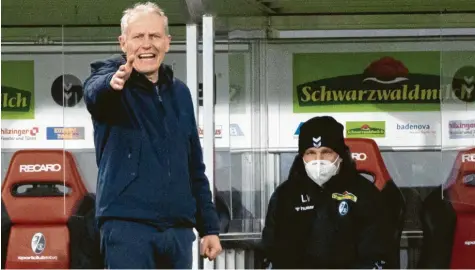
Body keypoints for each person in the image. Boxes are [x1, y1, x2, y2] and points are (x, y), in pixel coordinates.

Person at [82, 2, 222, 269]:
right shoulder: (111, 80)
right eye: (138, 37)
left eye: (155, 36)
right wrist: (112, 83)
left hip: (178, 233)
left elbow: (194, 166)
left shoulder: (180, 93)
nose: (147, 44)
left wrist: (209, 227)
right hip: (127, 228)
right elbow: (93, 93)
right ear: (123, 43)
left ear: (167, 43)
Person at [261, 116, 391, 269]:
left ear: (340, 155)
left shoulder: (365, 194)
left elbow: (376, 256)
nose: (318, 160)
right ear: (302, 156)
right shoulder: (285, 196)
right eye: (311, 152)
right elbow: (272, 254)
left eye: (326, 152)